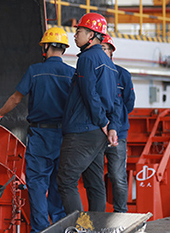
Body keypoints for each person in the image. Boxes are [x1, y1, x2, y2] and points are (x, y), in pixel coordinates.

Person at [0, 27, 75, 233]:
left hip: (41, 136)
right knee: (60, 183)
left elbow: (17, 98)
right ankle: (61, 225)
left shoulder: (35, 71)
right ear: (63, 49)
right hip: (65, 137)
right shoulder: (72, 74)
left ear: (46, 47)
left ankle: (42, 229)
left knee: (36, 183)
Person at [57, 12, 119, 215]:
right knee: (95, 184)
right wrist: (111, 127)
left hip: (82, 130)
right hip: (98, 134)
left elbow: (89, 93)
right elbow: (115, 101)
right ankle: (95, 228)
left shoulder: (87, 58)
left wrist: (102, 121)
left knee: (66, 180)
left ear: (91, 35)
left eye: (79, 31)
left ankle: (81, 228)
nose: (75, 35)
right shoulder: (109, 64)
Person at [101, 34, 135, 213]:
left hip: (118, 135)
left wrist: (117, 120)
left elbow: (128, 104)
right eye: (99, 48)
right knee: (95, 177)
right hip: (95, 133)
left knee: (117, 176)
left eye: (105, 48)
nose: (102, 51)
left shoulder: (123, 75)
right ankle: (96, 214)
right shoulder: (93, 73)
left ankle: (121, 213)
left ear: (112, 51)